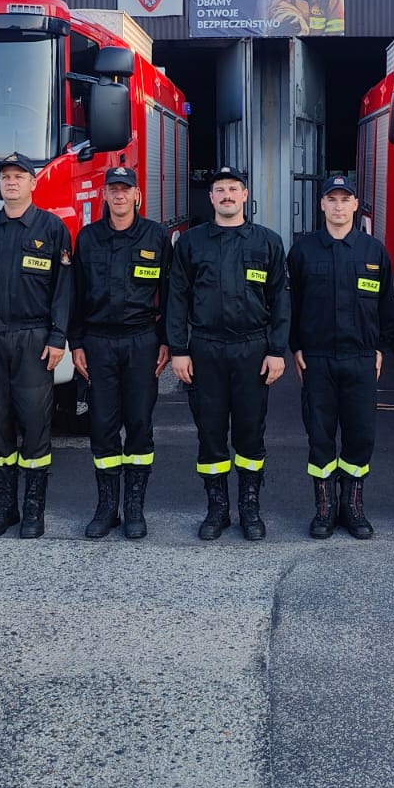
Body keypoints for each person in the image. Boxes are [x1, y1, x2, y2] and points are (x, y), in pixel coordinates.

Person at [166, 166, 289, 541]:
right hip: (205, 349)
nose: (227, 196)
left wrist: (277, 350)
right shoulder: (192, 243)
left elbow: (281, 300)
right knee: (210, 432)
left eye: (234, 189)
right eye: (219, 190)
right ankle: (217, 508)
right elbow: (177, 298)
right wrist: (178, 350)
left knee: (251, 432)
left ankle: (250, 507)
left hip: (252, 349)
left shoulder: (267, 242)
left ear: (245, 195)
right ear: (211, 198)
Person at [0, 152, 73, 539]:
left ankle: (33, 509)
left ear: (33, 183)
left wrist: (58, 337)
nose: (11, 182)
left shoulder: (52, 228)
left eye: (18, 176)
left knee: (35, 425)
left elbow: (63, 289)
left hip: (33, 339)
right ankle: (4, 507)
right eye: (5, 177)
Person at [287, 174, 394, 539]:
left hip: (360, 357)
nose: (338, 206)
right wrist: (295, 347)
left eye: (344, 199)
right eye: (331, 199)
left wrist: (380, 348)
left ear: (355, 205)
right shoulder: (303, 251)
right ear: (322, 204)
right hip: (317, 359)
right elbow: (291, 304)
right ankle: (324, 509)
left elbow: (387, 305)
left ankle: (352, 507)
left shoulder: (374, 251)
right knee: (319, 436)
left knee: (360, 436)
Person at [70, 165, 171, 539]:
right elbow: (76, 293)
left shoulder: (156, 236)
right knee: (102, 425)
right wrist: (76, 342)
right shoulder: (88, 238)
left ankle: (134, 508)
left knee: (139, 423)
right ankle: (106, 507)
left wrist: (167, 340)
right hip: (98, 343)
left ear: (136, 195)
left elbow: (171, 293)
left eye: (125, 189)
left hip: (141, 340)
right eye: (112, 189)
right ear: (104, 195)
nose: (119, 195)